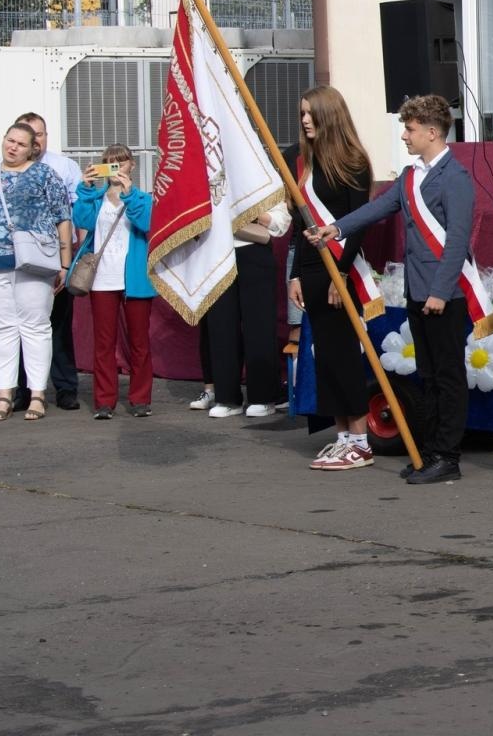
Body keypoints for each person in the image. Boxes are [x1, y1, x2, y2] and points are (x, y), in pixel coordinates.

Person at [308, 94, 478, 485]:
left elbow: (456, 240)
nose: (404, 135)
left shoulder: (455, 178)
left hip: (442, 294)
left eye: (411, 129)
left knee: (448, 377)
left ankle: (448, 456)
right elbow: (378, 208)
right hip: (418, 292)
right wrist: (336, 229)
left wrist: (440, 289)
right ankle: (432, 450)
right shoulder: (410, 176)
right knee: (428, 376)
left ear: (432, 132)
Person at [286, 86, 377, 472]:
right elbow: (298, 223)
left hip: (340, 267)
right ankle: (340, 436)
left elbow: (358, 225)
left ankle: (360, 438)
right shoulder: (302, 161)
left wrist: (341, 273)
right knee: (324, 356)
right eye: (302, 113)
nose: (305, 120)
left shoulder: (354, 161)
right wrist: (293, 274)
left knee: (344, 355)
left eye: (311, 113)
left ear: (329, 115)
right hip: (308, 267)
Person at [0, 122, 72, 421]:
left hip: (36, 261)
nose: (12, 146)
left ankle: (37, 395)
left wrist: (65, 261)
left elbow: (62, 217)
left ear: (32, 148)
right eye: (9, 140)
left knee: (35, 327)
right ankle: (4, 395)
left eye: (20, 143)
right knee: (2, 328)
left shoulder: (45, 174)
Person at [69, 144, 154, 419]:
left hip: (134, 279)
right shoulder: (96, 199)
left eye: (121, 162)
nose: (116, 168)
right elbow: (81, 221)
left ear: (132, 165)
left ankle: (140, 399)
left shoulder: (141, 198)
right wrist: (85, 189)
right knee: (104, 343)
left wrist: (128, 195)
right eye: (110, 163)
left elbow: (146, 224)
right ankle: (104, 402)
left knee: (139, 342)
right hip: (102, 279)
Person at [15, 112, 84, 411]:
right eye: (30, 134)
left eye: (40, 134)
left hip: (58, 254)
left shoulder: (64, 166)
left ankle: (65, 388)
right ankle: (22, 390)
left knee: (58, 324)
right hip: (19, 258)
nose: (36, 140)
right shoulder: (8, 169)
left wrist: (75, 256)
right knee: (21, 325)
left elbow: (75, 212)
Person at [202, 196, 290, 419]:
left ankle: (264, 396)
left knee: (258, 327)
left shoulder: (261, 176)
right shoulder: (211, 174)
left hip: (254, 250)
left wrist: (248, 214)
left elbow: (281, 221)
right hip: (217, 253)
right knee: (221, 327)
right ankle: (227, 397)